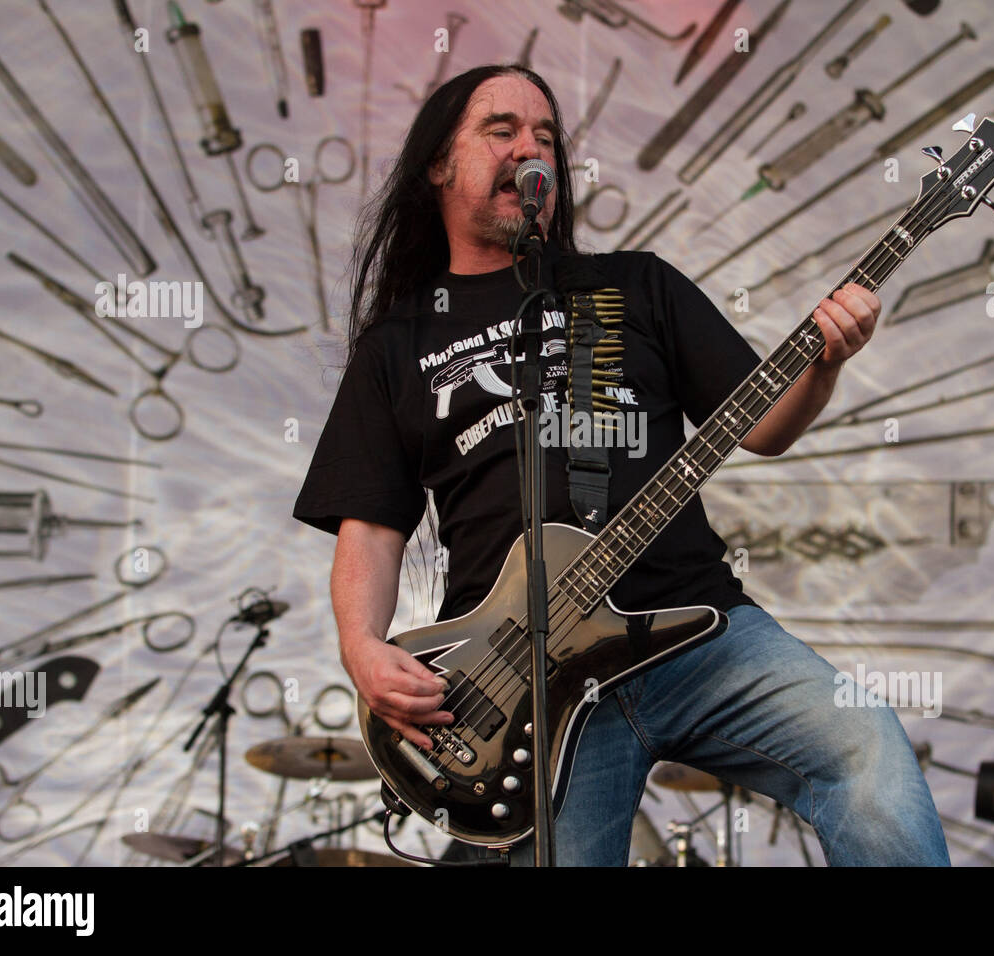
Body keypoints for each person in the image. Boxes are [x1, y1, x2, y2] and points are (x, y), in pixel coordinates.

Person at [293, 64, 950, 866]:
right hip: (522, 683)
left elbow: (763, 424)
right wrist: (361, 649)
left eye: (544, 138)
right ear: (439, 163)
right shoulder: (400, 345)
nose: (529, 149)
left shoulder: (635, 285)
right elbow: (370, 526)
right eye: (501, 130)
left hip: (697, 631)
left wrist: (825, 364)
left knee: (865, 750)